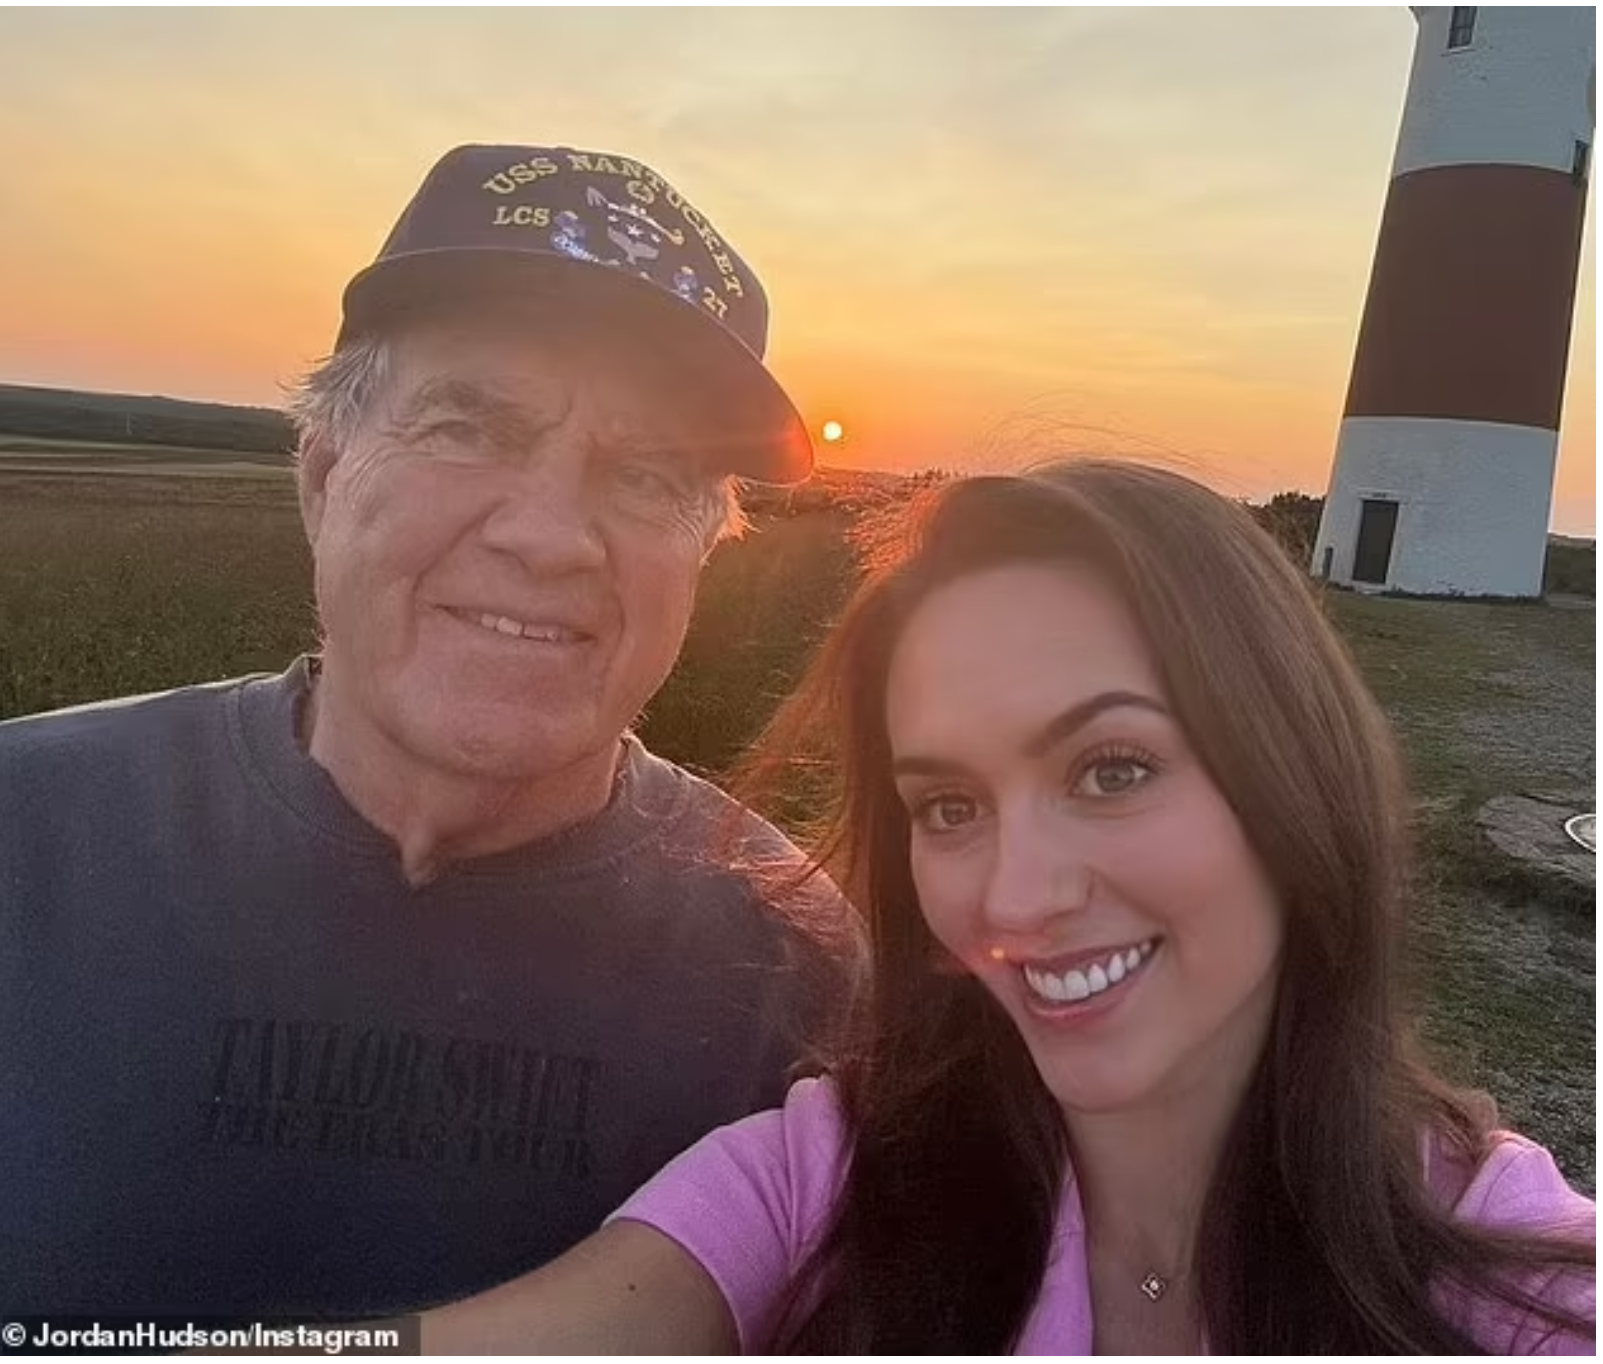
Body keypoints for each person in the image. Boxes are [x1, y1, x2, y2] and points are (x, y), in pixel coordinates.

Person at [415, 459, 1596, 1354]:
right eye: (947, 805)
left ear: (1289, 769)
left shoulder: (1517, 1282)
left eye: (1112, 769)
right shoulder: (824, 1184)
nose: (1015, 898)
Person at [0, 143, 860, 1329]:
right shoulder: (15, 841)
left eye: (647, 474)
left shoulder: (802, 976)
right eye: (469, 427)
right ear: (323, 476)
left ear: (703, 552)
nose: (547, 534)